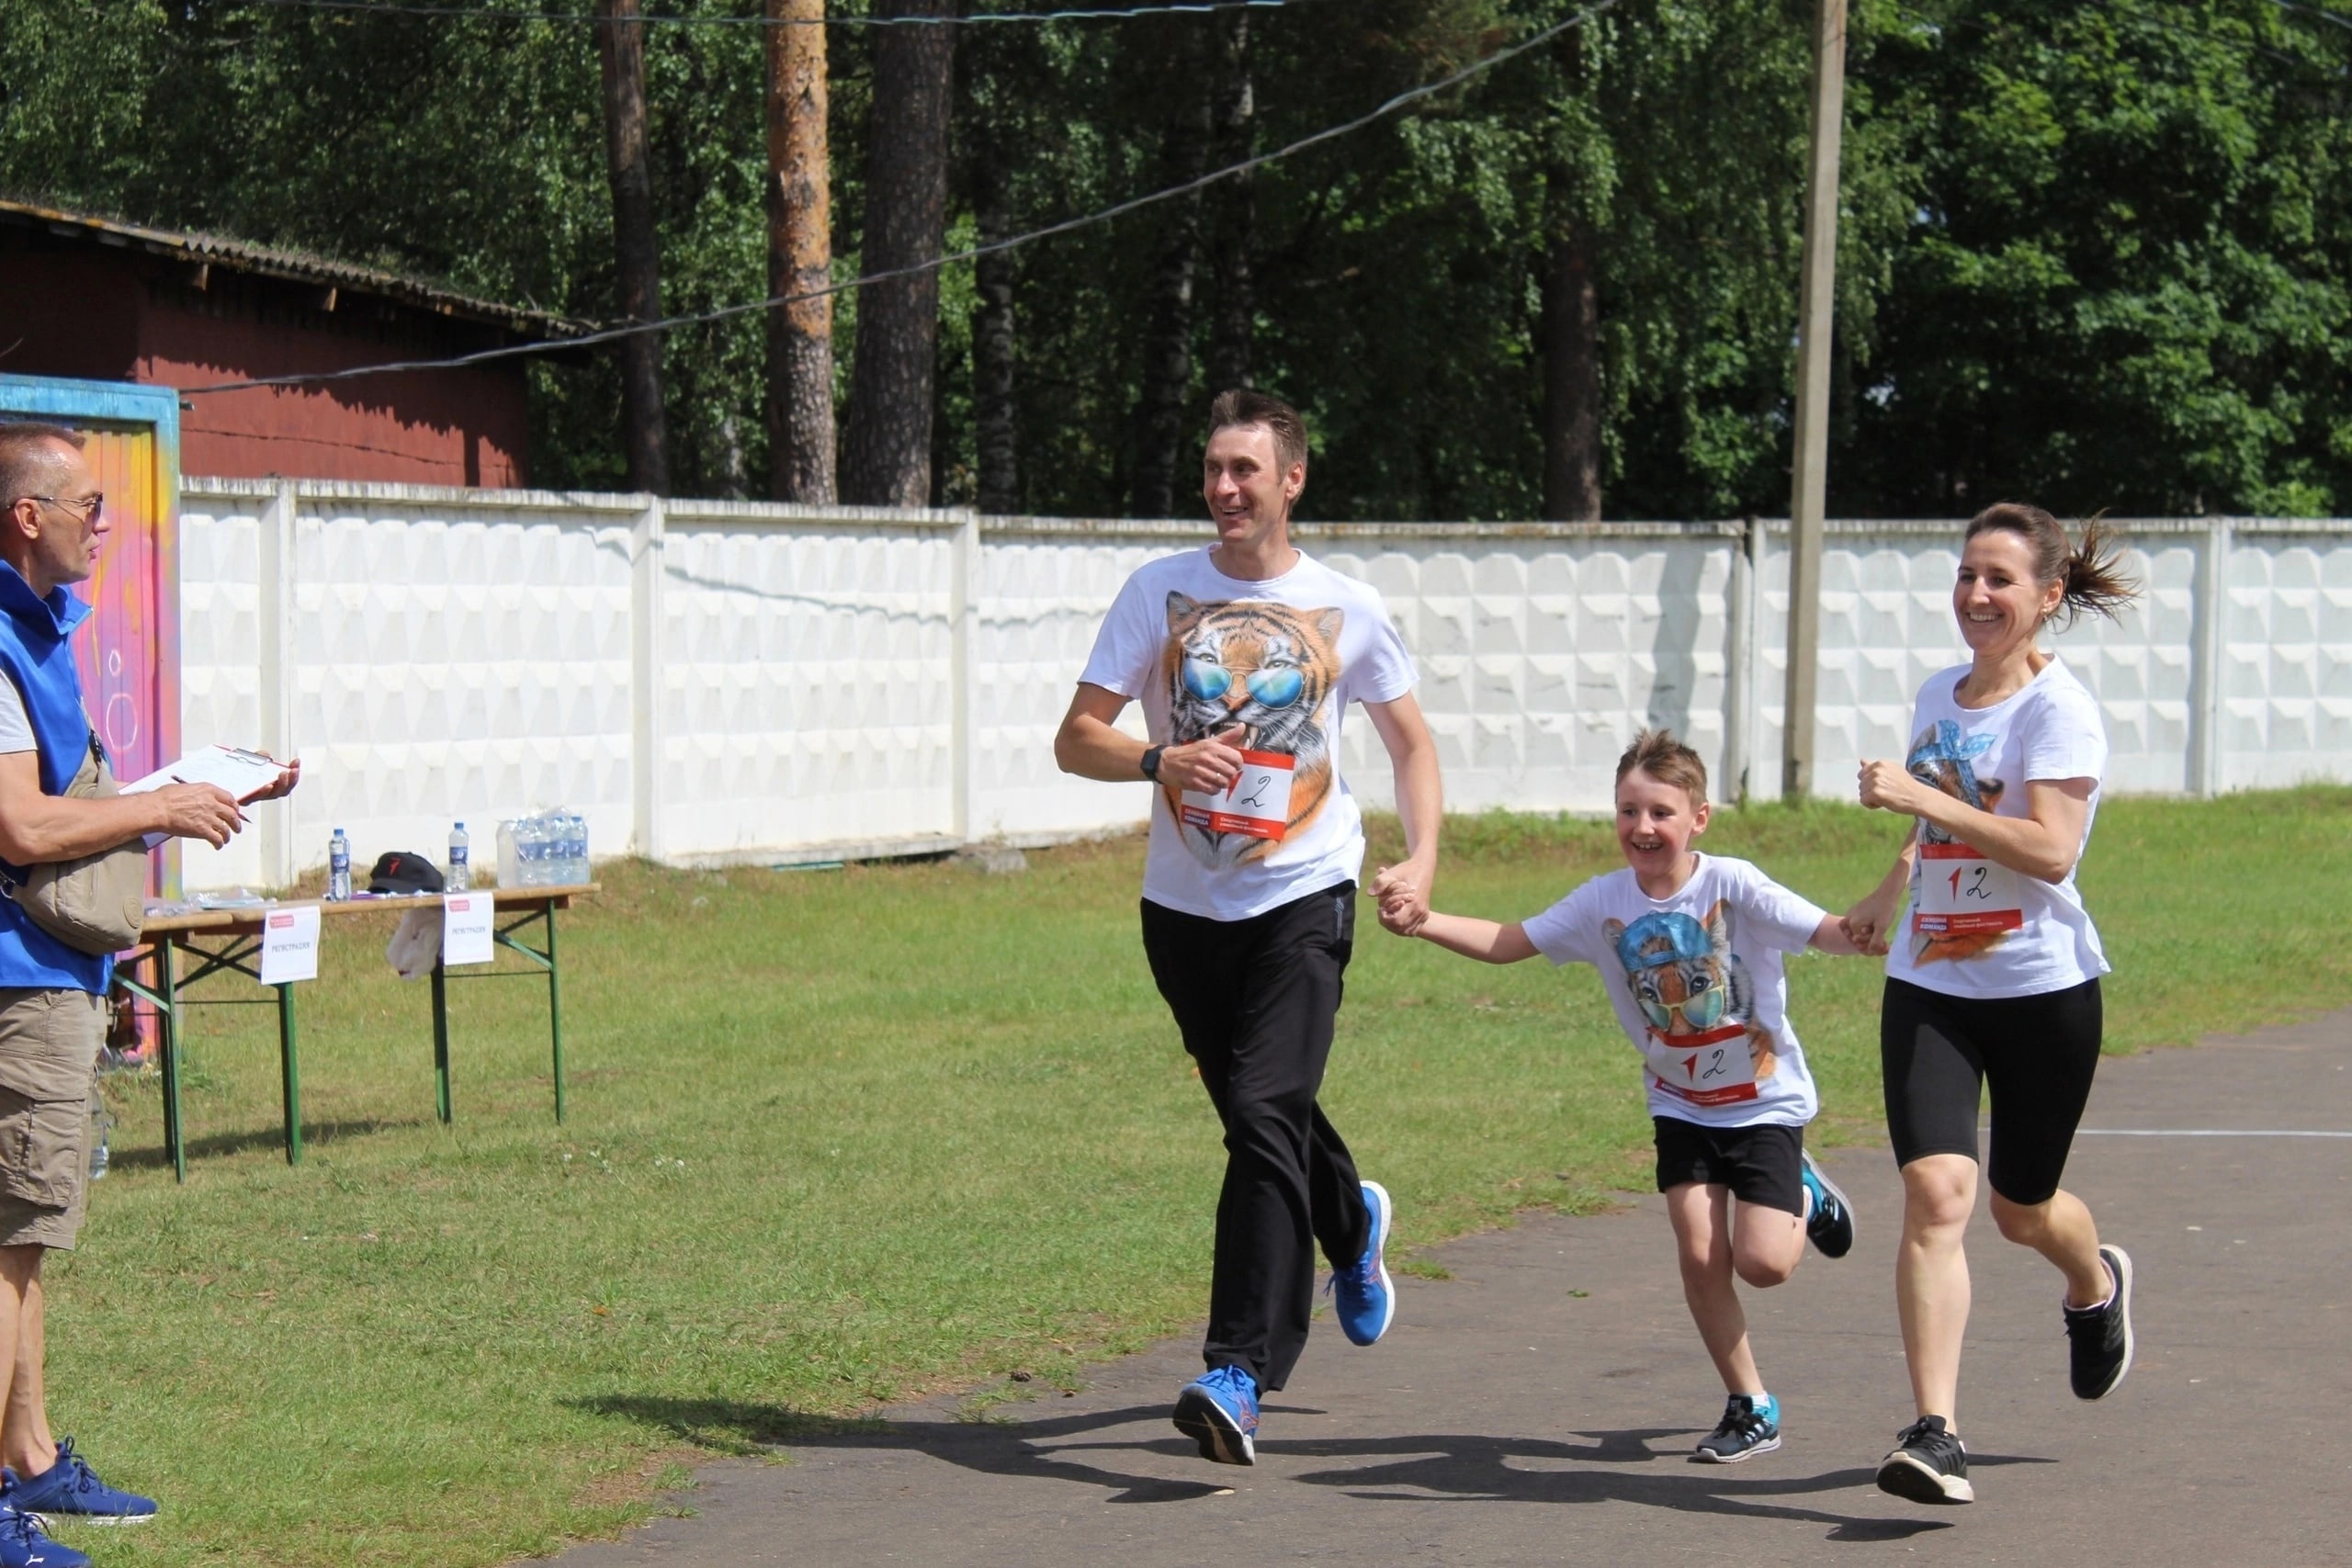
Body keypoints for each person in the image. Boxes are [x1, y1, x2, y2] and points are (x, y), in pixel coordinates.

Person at [1053, 389, 1442, 1466]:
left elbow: (1410, 744)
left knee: (1265, 1112)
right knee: (1258, 1118)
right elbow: (1074, 737)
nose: (1226, 488)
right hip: (1183, 911)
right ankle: (1352, 1224)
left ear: (1291, 480)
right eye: (1214, 468)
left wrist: (1419, 856)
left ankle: (1236, 1369)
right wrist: (1153, 758)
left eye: (1246, 470)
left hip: (1304, 896)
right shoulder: (1157, 592)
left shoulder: (1344, 607)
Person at [1377, 729, 1863, 1462]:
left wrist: (1873, 915)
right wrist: (1423, 920)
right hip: (1680, 1101)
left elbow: (1827, 931)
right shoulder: (1602, 900)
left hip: (1762, 1103)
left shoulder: (1735, 885)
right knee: (1701, 1254)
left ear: (1698, 817)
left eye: (1661, 812)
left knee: (1764, 1264)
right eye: (1629, 810)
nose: (1643, 827)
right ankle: (1750, 1402)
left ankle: (1806, 1190)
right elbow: (1513, 939)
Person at [0, 423, 295, 1564]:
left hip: (48, 971)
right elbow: (22, 824)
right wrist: (160, 810)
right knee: (9, 1243)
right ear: (29, 515)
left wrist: (207, 789)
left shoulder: (40, 628)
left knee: (27, 1241)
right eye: (88, 505)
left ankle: (27, 1461)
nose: (104, 524)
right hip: (17, 978)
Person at [1842, 502, 2140, 1506]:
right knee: (1937, 1196)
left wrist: (1923, 799)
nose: (1976, 594)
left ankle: (2092, 1284)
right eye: (1967, 574)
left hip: (2040, 989)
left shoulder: (2060, 711)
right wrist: (1890, 889)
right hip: (1931, 980)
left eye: (2000, 579)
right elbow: (1940, 822)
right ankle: (1935, 1432)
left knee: (2019, 1209)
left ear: (2047, 597)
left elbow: (2049, 848)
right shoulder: (1940, 691)